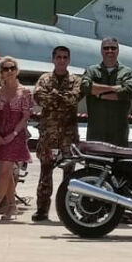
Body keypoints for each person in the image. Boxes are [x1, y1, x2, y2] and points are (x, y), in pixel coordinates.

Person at [30, 45, 86, 223]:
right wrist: (61, 98)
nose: (62, 60)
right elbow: (39, 98)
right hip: (49, 134)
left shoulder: (76, 80)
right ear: (53, 59)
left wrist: (54, 97)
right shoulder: (45, 79)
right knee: (45, 173)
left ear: (68, 60)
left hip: (68, 135)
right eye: (59, 57)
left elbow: (74, 99)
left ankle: (67, 210)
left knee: (70, 175)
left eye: (65, 57)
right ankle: (42, 210)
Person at [0, 57, 35, 222]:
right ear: (1, 72)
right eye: (6, 69)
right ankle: (12, 205)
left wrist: (13, 134)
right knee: (6, 173)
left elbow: (25, 117)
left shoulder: (25, 92)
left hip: (15, 136)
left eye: (12, 68)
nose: (9, 71)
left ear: (17, 70)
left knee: (4, 172)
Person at [83, 37, 132, 145]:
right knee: (95, 161)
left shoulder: (127, 72)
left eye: (113, 48)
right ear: (101, 50)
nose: (110, 51)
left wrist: (99, 94)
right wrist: (113, 88)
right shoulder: (92, 71)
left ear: (118, 50)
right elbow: (86, 87)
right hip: (96, 132)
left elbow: (128, 92)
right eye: (106, 48)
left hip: (118, 133)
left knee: (118, 161)